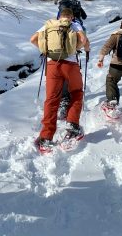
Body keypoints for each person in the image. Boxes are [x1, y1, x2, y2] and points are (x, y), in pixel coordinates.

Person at [31, 8, 87, 151]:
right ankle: (72, 125)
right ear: (71, 16)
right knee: (76, 92)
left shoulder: (50, 25)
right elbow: (83, 40)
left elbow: (33, 39)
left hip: (52, 65)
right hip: (70, 65)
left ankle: (46, 137)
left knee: (51, 99)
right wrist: (76, 49)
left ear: (59, 16)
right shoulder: (74, 24)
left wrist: (45, 50)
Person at [57, 0, 90, 120]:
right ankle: (69, 106)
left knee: (61, 77)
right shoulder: (77, 23)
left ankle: (63, 101)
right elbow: (84, 39)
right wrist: (82, 49)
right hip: (72, 55)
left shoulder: (57, 20)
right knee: (72, 77)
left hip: (56, 54)